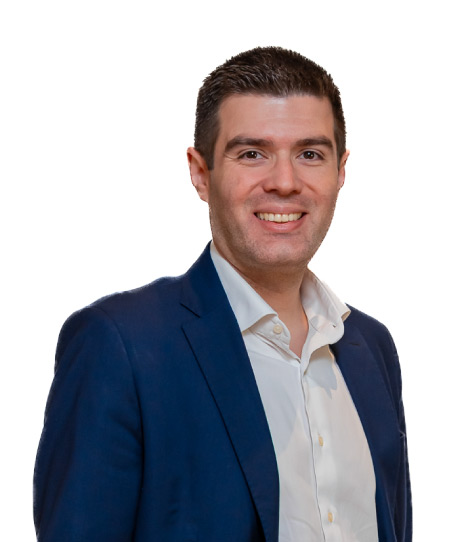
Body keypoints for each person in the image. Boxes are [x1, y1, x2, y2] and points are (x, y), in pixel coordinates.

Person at [34, 47, 412, 542]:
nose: (285, 183)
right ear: (200, 172)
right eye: (252, 153)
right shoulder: (121, 346)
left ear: (340, 171)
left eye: (310, 154)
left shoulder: (371, 347)